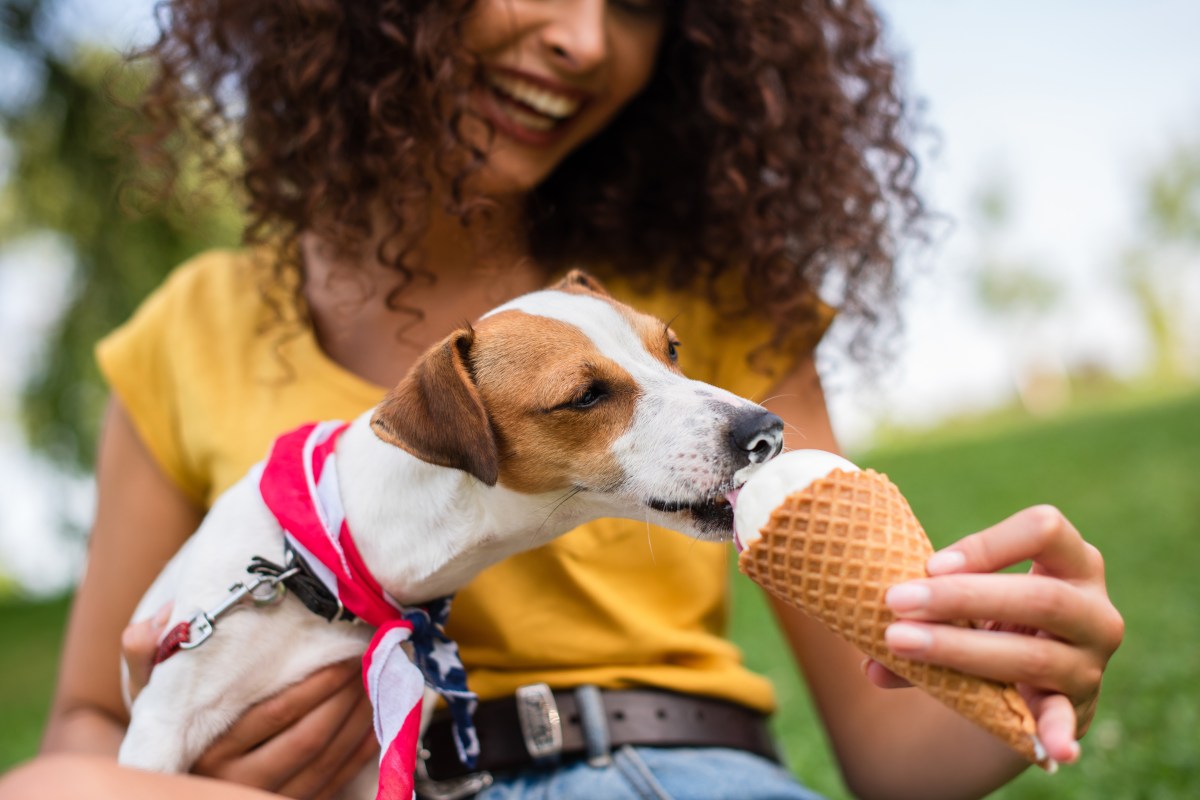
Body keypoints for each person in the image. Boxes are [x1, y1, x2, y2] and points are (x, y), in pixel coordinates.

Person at [0, 1, 1123, 798]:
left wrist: (1018, 681)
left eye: (637, 2)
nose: (583, 35)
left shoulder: (718, 283)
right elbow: (87, 731)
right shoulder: (187, 330)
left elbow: (893, 749)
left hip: (679, 768)